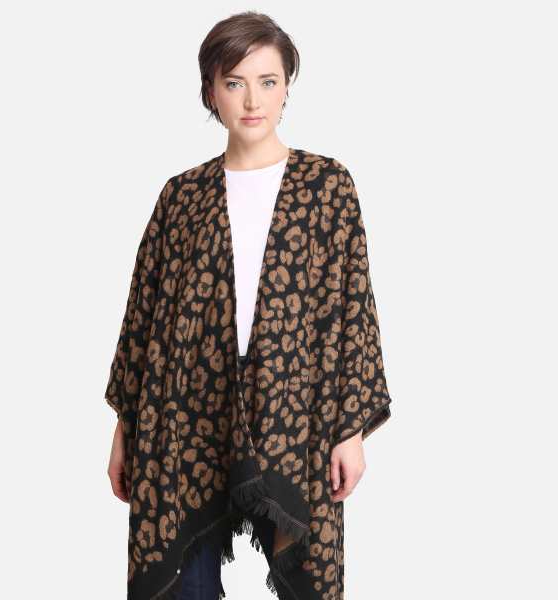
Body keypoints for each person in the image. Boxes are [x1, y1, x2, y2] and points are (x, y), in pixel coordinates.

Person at [105, 11, 392, 600]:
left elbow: (353, 310)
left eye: (268, 81)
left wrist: (350, 430)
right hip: (184, 415)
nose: (252, 100)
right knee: (184, 583)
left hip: (296, 409)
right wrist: (125, 429)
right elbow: (143, 317)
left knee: (306, 579)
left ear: (287, 87)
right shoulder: (182, 195)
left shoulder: (327, 186)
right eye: (234, 82)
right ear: (211, 90)